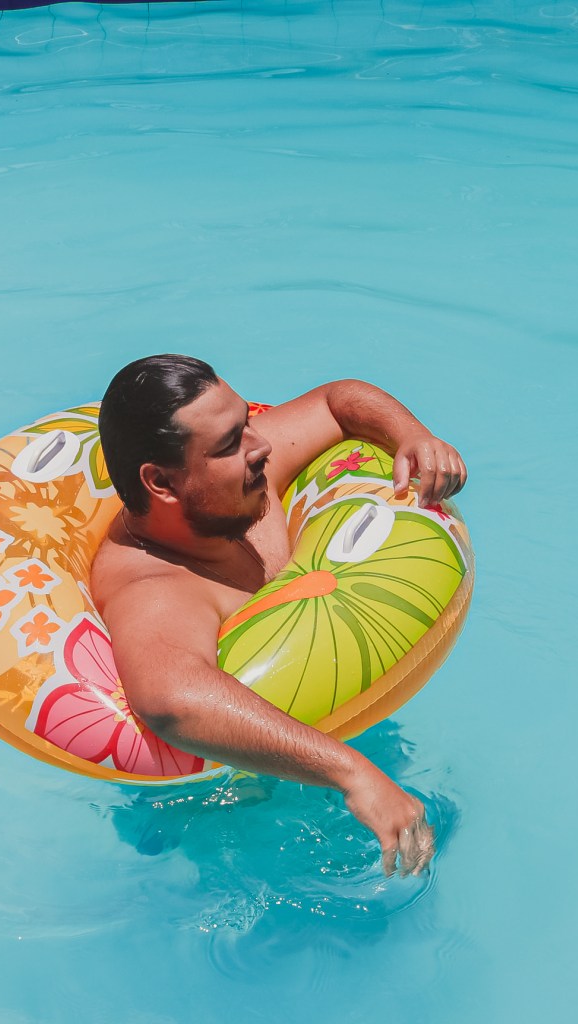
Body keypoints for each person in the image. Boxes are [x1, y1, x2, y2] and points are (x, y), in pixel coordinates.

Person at [91, 354, 467, 875]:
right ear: (160, 482)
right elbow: (170, 702)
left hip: (318, 724)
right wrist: (353, 774)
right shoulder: (156, 587)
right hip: (212, 797)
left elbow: (337, 400)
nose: (261, 444)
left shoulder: (235, 482)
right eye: (229, 442)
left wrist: (412, 436)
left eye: (244, 422)